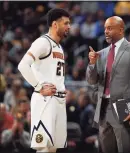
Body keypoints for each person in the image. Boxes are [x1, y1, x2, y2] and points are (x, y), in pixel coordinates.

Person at [86, 16, 130, 153]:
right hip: (104, 108)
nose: (106, 31)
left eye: (109, 28)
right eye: (105, 28)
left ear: (121, 30)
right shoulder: (101, 53)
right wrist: (92, 64)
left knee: (125, 149)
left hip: (125, 108)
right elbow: (91, 81)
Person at [18, 8, 71, 153]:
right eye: (66, 23)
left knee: (53, 148)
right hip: (45, 100)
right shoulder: (42, 42)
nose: (69, 27)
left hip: (58, 100)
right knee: (43, 148)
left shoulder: (59, 47)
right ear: (55, 24)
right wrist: (39, 87)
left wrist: (61, 87)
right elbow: (22, 65)